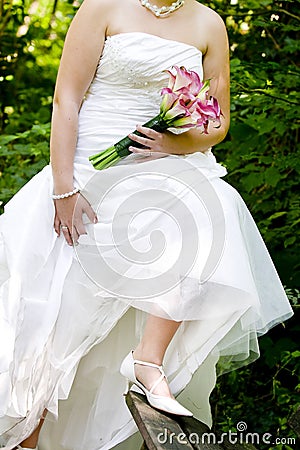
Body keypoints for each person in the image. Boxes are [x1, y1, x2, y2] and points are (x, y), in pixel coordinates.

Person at [0, 0, 293, 449]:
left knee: (214, 205)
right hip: (89, 166)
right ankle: (25, 438)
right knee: (57, 322)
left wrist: (176, 143)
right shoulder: (100, 7)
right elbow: (67, 98)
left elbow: (217, 122)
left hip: (163, 165)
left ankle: (147, 362)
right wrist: (64, 187)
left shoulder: (209, 23)